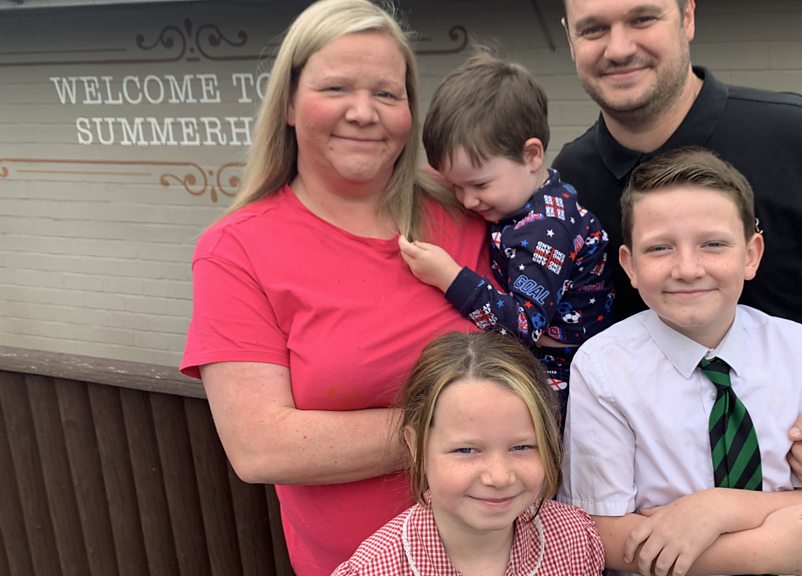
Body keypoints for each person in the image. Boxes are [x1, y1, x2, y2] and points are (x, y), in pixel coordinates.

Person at [554, 0, 802, 570]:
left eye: (642, 18)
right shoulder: (565, 187)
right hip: (654, 538)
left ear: (687, 17)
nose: (618, 47)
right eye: (593, 28)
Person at [178, 1, 493, 574]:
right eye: (336, 88)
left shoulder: (466, 206)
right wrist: (465, 430)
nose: (363, 112)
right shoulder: (237, 249)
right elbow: (261, 446)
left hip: (515, 552)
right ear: (289, 104)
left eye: (387, 94)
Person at [560, 148, 802, 576]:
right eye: (659, 248)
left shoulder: (799, 349)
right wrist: (761, 552)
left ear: (751, 255)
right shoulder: (603, 367)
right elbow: (600, 534)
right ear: (630, 265)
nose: (687, 269)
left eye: (713, 244)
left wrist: (717, 509)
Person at [398, 52, 614, 418]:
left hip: (566, 380)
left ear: (532, 155)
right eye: (455, 186)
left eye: (480, 184)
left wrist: (449, 277)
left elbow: (523, 327)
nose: (467, 200)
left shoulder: (547, 231)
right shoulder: (525, 200)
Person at [331, 331, 605, 575]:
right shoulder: (373, 569)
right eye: (466, 450)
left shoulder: (576, 540)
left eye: (521, 447)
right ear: (416, 446)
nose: (499, 477)